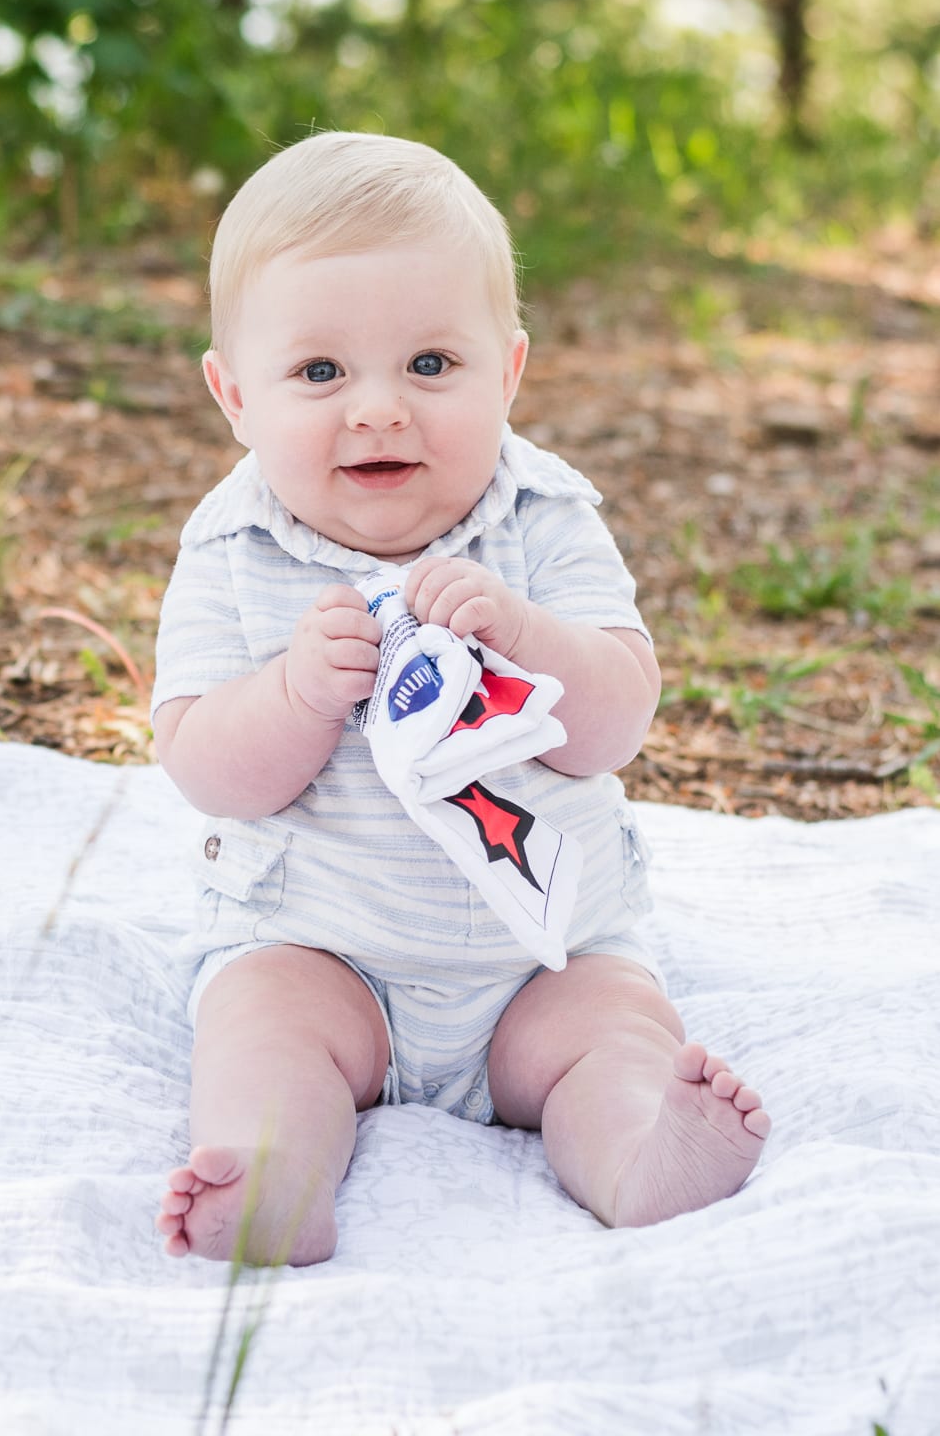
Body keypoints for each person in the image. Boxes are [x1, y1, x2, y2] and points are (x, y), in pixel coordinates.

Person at [153, 131, 769, 1265]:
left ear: (510, 371)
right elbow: (198, 761)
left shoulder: (542, 518)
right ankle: (275, 1174)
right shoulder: (231, 547)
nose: (380, 409)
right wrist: (295, 692)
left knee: (613, 1034)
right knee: (257, 1025)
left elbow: (621, 716)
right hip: (324, 949)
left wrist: (526, 635)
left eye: (431, 365)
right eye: (320, 372)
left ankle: (642, 1156)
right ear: (234, 394)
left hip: (545, 954)